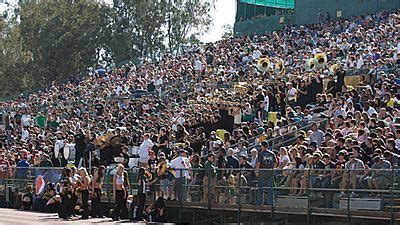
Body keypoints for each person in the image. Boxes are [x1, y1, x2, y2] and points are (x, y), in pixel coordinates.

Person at [255, 141, 277, 205]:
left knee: (261, 187)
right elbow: (275, 163)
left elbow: (259, 163)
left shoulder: (261, 153)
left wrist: (256, 171)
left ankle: (260, 202)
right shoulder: (272, 153)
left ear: (262, 146)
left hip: (262, 171)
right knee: (270, 187)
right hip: (270, 171)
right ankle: (271, 203)